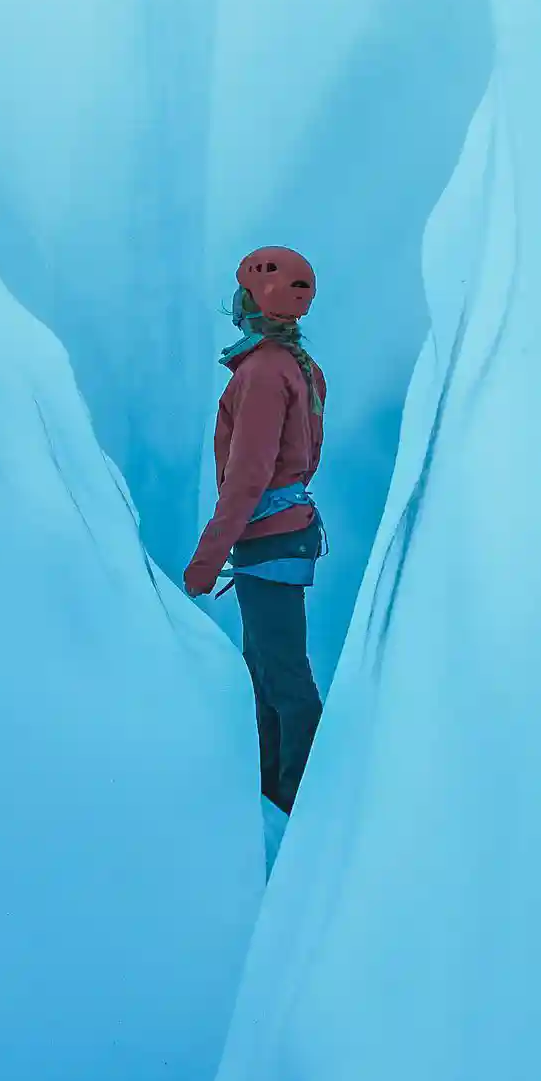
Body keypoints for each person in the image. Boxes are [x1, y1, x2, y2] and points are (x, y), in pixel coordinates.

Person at [184, 246, 327, 813]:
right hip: (280, 537)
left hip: (267, 540)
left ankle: (306, 805)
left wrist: (204, 560)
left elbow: (248, 478)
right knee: (268, 675)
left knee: (283, 679)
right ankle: (273, 794)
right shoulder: (295, 367)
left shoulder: (265, 373)